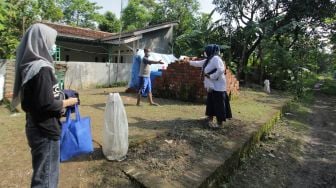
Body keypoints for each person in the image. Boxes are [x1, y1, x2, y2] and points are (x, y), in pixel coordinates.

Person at [12, 23, 78, 188]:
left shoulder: (29, 66)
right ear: (42, 41)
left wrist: (61, 95)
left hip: (35, 124)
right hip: (45, 129)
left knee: (42, 172)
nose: (53, 45)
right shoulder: (42, 69)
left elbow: (39, 99)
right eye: (51, 41)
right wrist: (69, 101)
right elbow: (47, 104)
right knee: (46, 179)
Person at [189, 44, 232, 128]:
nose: (205, 52)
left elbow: (221, 69)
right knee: (211, 103)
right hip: (212, 86)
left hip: (218, 86)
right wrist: (188, 61)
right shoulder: (209, 59)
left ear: (210, 51)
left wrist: (211, 76)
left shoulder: (216, 58)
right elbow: (199, 63)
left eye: (206, 51)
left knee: (219, 104)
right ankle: (210, 118)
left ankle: (220, 123)